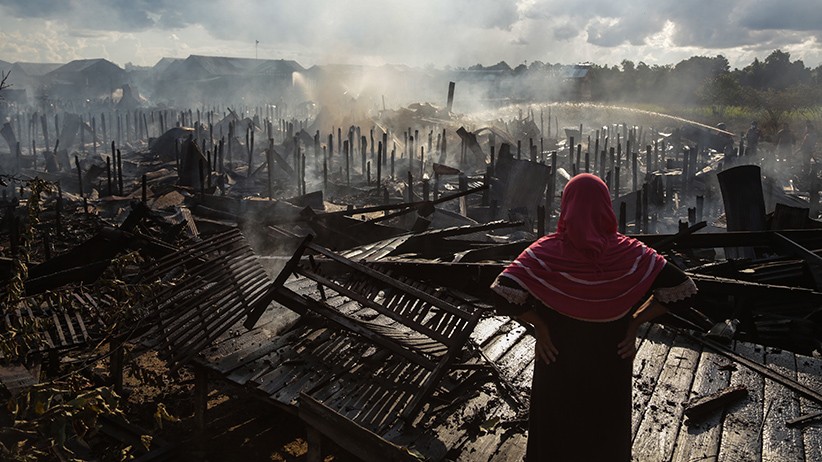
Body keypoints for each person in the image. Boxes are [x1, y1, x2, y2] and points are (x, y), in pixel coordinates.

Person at [490, 174, 697, 461]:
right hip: (611, 358)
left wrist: (541, 326)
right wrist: (635, 321)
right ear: (605, 207)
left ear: (567, 207)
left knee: (556, 434)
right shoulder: (632, 253)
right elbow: (685, 290)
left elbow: (502, 292)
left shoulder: (545, 252)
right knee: (605, 431)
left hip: (557, 358)